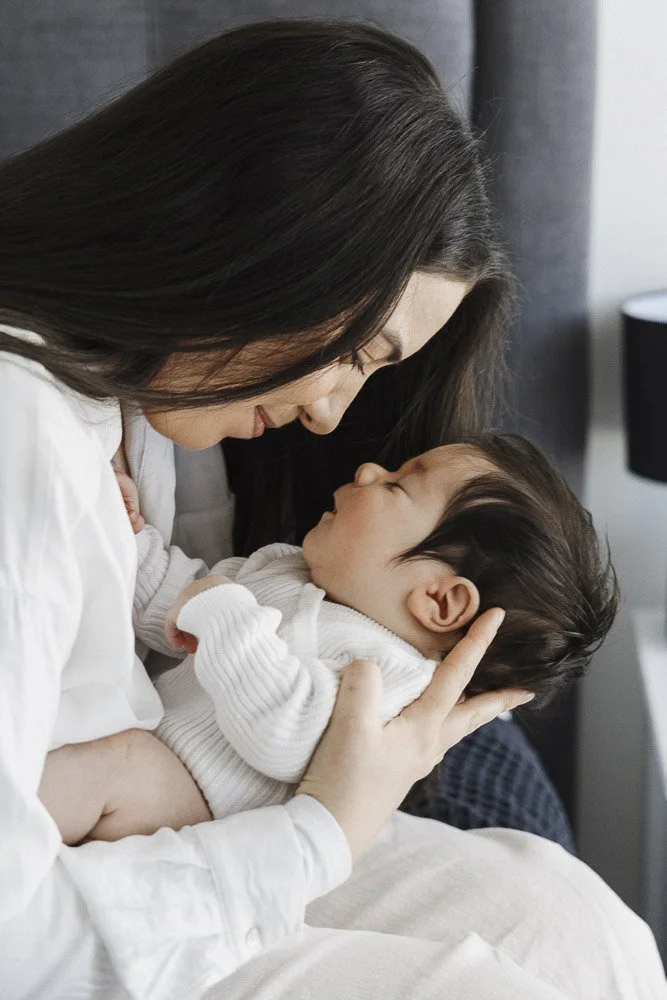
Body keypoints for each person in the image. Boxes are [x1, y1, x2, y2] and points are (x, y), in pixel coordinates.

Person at [0, 18, 663, 1000]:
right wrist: (327, 825)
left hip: (174, 818)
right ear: (257, 245)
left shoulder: (149, 405)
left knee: (580, 927)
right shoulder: (23, 434)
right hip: (55, 906)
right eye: (355, 353)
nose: (329, 419)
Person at [39, 432, 619, 842]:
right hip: (150, 747)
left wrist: (220, 609)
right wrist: (119, 530)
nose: (367, 471)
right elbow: (171, 601)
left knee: (104, 764)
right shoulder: (289, 569)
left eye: (396, 486)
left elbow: (286, 733)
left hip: (194, 806)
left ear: (440, 601)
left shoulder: (389, 677)